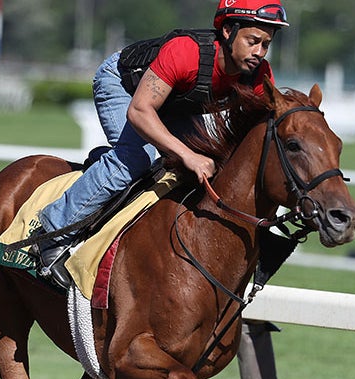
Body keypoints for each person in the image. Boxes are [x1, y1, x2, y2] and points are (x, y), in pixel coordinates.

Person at [31, 0, 290, 287]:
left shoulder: (258, 74)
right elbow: (140, 111)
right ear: (228, 30)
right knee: (135, 158)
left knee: (212, 168)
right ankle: (52, 232)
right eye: (253, 41)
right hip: (124, 88)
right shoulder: (186, 51)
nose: (260, 52)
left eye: (266, 44)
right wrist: (187, 155)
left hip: (174, 104)